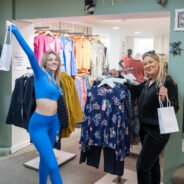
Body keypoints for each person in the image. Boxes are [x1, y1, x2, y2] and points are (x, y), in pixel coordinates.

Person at [7, 21, 63, 184]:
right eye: (51, 59)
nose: (54, 62)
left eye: (56, 60)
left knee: (45, 161)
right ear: (45, 62)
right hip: (38, 125)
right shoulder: (40, 74)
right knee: (53, 165)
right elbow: (31, 54)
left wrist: (58, 126)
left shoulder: (56, 81)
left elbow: (55, 107)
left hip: (53, 124)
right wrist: (15, 30)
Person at [134, 50, 179, 184]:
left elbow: (175, 107)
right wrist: (117, 78)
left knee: (142, 166)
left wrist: (164, 99)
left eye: (150, 62)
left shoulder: (167, 81)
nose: (147, 65)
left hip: (157, 130)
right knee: (152, 164)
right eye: (145, 63)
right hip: (145, 128)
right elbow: (134, 90)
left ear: (158, 63)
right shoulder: (148, 82)